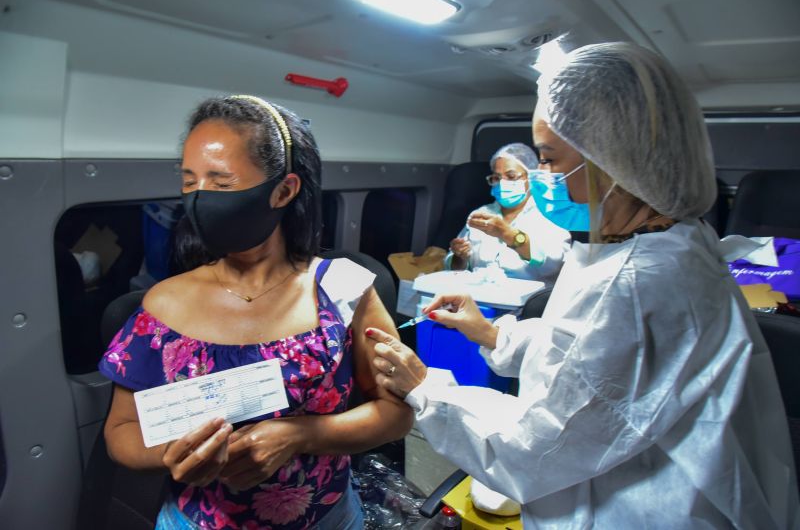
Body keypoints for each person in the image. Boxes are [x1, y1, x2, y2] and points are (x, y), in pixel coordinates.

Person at [366, 42, 800, 528]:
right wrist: (492, 334)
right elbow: (583, 354)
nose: (543, 179)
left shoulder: (636, 280)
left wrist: (426, 390)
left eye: (550, 160)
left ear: (615, 158)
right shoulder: (653, 238)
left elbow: (539, 447)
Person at [99, 95, 413, 529]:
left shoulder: (343, 291)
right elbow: (120, 432)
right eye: (189, 182)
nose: (198, 200)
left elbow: (397, 412)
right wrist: (173, 457)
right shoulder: (161, 306)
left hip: (328, 519)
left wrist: (300, 435)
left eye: (221, 183)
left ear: (283, 190)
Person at [445, 143, 571, 284]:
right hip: (480, 297)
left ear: (531, 178)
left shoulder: (550, 214)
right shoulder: (481, 214)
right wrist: (459, 257)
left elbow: (555, 266)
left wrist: (508, 235)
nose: (502, 183)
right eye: (497, 178)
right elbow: (456, 269)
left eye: (511, 177)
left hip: (529, 302)